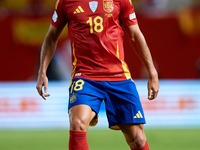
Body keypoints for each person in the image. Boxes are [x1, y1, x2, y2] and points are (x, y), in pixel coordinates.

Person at [36, 0, 160, 149]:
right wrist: (42, 71)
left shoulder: (121, 1)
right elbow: (51, 36)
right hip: (85, 76)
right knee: (77, 123)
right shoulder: (66, 2)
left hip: (118, 76)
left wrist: (152, 72)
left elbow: (135, 35)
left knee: (137, 139)